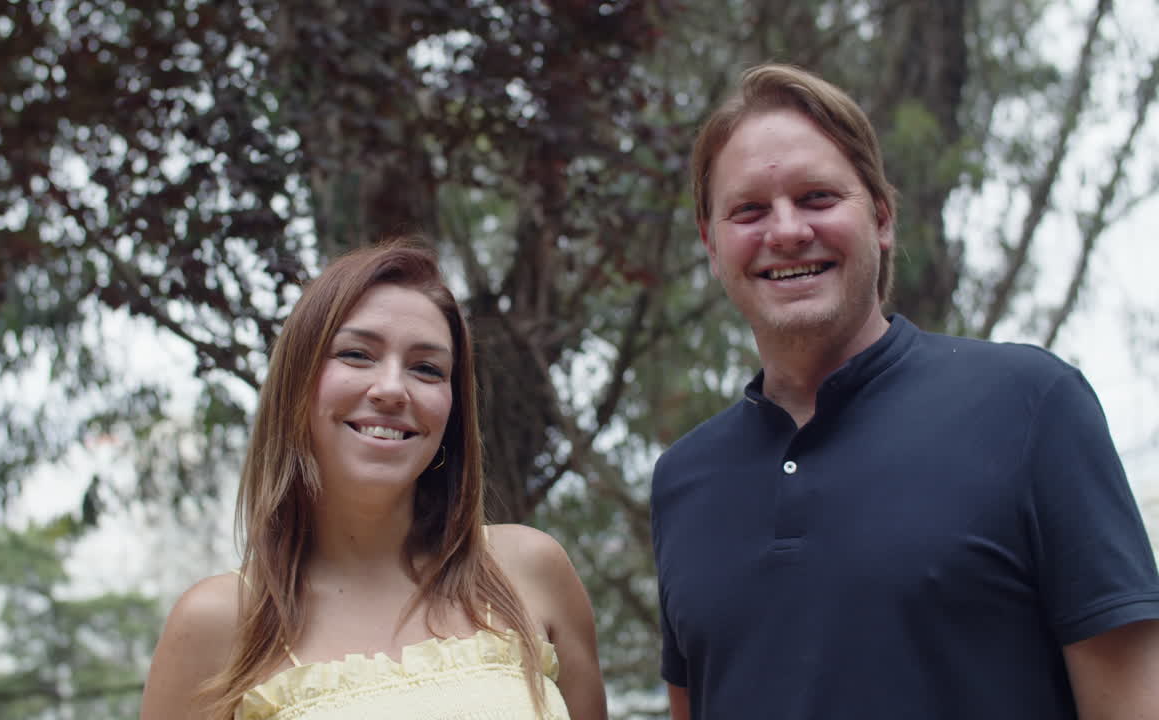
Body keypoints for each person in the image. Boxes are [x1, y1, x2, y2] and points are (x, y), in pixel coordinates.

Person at [650, 63, 1159, 720]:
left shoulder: (1031, 406)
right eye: (748, 210)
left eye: (818, 198)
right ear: (712, 245)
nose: (785, 231)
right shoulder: (683, 481)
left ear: (883, 218)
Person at [140, 240, 607, 720]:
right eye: (357, 355)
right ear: (297, 382)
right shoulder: (218, 622)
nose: (390, 389)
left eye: (426, 368)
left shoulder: (531, 572)